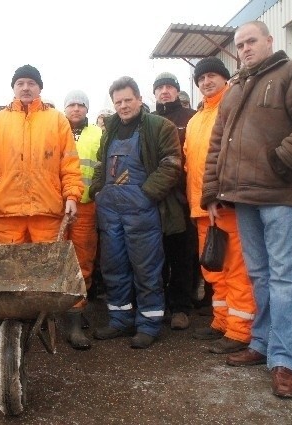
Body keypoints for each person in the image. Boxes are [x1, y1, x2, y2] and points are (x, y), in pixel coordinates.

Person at [201, 21, 292, 398]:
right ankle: (261, 344)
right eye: (240, 44)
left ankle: (286, 361)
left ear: (269, 41)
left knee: (284, 278)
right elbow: (217, 145)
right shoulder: (237, 89)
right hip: (243, 199)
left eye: (251, 41)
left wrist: (282, 160)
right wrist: (212, 191)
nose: (244, 48)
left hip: (281, 195)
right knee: (259, 275)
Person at [89, 76, 182, 349]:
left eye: (128, 100)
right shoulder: (110, 132)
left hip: (142, 210)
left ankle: (149, 323)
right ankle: (120, 320)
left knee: (146, 268)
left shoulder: (159, 126)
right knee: (113, 267)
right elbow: (100, 165)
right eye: (118, 101)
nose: (123, 105)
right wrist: (97, 190)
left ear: (140, 100)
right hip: (110, 212)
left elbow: (171, 165)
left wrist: (147, 193)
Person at [184, 57, 255, 354]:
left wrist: (224, 196)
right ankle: (221, 321)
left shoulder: (234, 108)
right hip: (202, 208)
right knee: (214, 270)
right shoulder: (196, 118)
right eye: (201, 78)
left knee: (236, 269)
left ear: (225, 78)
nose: (206, 82)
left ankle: (240, 331)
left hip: (226, 205)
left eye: (212, 76)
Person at [0, 62, 82, 249]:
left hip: (47, 212)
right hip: (6, 214)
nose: (26, 88)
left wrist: (71, 196)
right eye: (20, 83)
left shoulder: (57, 119)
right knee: (8, 272)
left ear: (40, 88)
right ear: (13, 87)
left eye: (31, 83)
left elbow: (69, 163)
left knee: (47, 272)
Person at [152, 71, 196, 330]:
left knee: (182, 254)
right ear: (154, 93)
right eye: (160, 88)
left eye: (170, 86)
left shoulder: (190, 119)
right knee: (157, 255)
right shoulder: (150, 120)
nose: (165, 91)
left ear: (178, 91)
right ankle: (160, 305)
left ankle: (181, 307)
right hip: (156, 197)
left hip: (182, 198)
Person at [62, 89, 101, 350]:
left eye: (80, 105)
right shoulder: (55, 131)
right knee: (55, 261)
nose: (76, 109)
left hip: (86, 207)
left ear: (87, 109)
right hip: (58, 208)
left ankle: (76, 316)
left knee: (83, 261)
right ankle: (53, 312)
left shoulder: (99, 134)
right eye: (71, 105)